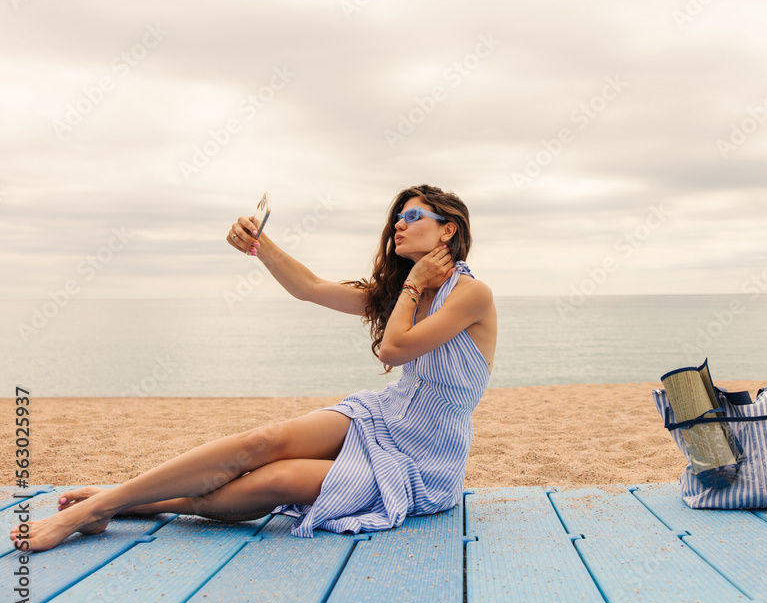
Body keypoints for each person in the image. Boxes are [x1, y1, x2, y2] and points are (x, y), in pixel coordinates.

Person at [13, 185, 496, 552]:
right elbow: (308, 286)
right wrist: (258, 244)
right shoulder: (398, 291)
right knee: (262, 441)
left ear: (448, 229)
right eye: (396, 218)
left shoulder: (471, 294)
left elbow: (394, 351)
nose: (399, 225)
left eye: (412, 216)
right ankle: (100, 506)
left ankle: (127, 504)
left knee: (277, 480)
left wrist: (412, 285)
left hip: (424, 457)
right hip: (384, 415)